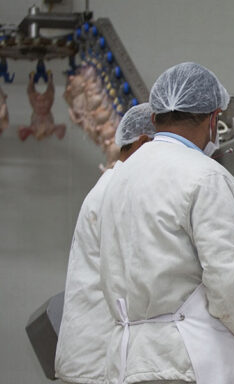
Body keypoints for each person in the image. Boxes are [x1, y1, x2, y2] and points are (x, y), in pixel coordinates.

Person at [98, 62, 234, 384]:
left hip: (127, 359)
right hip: (187, 359)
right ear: (214, 119)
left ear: (154, 117)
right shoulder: (206, 177)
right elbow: (226, 282)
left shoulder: (119, 178)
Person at [55, 103, 156, 384]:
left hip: (95, 357)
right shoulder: (122, 190)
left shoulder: (117, 183)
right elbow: (155, 264)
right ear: (142, 143)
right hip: (98, 361)